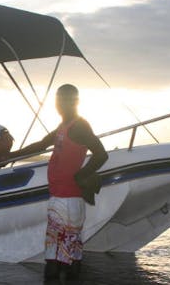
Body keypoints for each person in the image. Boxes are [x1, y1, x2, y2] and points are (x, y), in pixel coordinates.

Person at [7, 84, 108, 282]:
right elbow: (41, 144)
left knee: (65, 263)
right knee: (54, 262)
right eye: (59, 99)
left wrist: (81, 175)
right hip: (58, 198)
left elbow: (101, 154)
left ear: (76, 102)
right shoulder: (63, 126)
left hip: (70, 201)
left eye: (67, 99)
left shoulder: (80, 126)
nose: (61, 104)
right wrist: (11, 155)